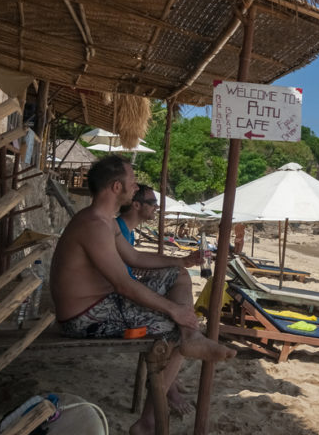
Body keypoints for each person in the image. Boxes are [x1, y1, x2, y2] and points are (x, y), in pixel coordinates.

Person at [50, 155, 235, 435]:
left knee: (178, 275)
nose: (135, 187)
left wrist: (180, 261)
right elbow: (124, 284)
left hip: (105, 303)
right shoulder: (93, 225)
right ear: (116, 187)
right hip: (84, 317)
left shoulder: (106, 222)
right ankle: (147, 422)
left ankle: (191, 338)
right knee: (171, 327)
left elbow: (135, 257)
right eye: (132, 182)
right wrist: (175, 311)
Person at [117, 184, 196, 416]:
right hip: (119, 301)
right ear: (136, 204)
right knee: (179, 330)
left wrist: (180, 260)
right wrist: (178, 263)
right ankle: (165, 386)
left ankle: (169, 379)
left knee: (179, 280)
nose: (156, 208)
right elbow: (129, 269)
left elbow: (135, 260)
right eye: (153, 203)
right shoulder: (118, 230)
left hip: (124, 294)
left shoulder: (126, 231)